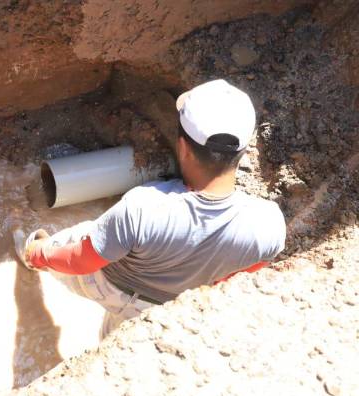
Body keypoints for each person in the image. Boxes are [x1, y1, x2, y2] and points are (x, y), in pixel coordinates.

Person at [15, 79, 286, 337]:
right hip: (168, 308)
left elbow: (82, 259)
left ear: (183, 148)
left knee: (71, 242)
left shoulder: (143, 208)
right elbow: (243, 272)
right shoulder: (268, 226)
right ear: (243, 151)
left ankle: (29, 256)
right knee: (119, 341)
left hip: (110, 286)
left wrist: (41, 254)